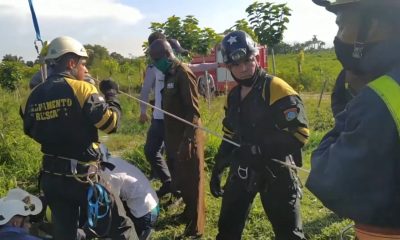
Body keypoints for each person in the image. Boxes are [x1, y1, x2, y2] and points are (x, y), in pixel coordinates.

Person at [20, 36, 138, 240]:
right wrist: (111, 95)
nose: (85, 70)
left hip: (51, 178)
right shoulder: (82, 89)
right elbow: (111, 124)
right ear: (71, 62)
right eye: (83, 64)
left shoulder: (30, 97)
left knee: (64, 233)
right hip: (83, 177)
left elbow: (30, 130)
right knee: (120, 227)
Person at [306, 0, 400, 239]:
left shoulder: (380, 99)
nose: (338, 38)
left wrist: (352, 105)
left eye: (342, 26)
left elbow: (330, 178)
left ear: (374, 24)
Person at [209, 30, 309, 240]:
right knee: (227, 228)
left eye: (248, 60)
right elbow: (230, 134)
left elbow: (299, 134)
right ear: (228, 66)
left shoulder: (277, 88)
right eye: (236, 65)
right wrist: (219, 166)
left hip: (277, 170)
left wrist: (259, 149)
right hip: (243, 168)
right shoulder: (233, 96)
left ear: (255, 57)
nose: (244, 68)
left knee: (289, 234)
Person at [139, 33, 221, 198]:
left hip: (176, 122)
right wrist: (142, 111)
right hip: (159, 118)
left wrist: (220, 64)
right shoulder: (154, 68)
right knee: (154, 152)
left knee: (177, 158)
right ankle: (170, 183)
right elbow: (146, 90)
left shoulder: (180, 69)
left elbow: (197, 72)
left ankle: (180, 192)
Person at [148, 39, 205, 238]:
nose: (154, 63)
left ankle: (196, 227)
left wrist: (187, 141)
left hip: (186, 139)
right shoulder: (169, 74)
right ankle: (188, 213)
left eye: (156, 59)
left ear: (166, 54)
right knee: (182, 181)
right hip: (173, 139)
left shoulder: (183, 73)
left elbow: (193, 111)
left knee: (193, 183)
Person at [99, 144, 159, 240]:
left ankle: (143, 231)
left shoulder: (108, 174)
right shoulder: (114, 161)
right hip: (152, 206)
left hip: (146, 215)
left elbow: (113, 203)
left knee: (112, 218)